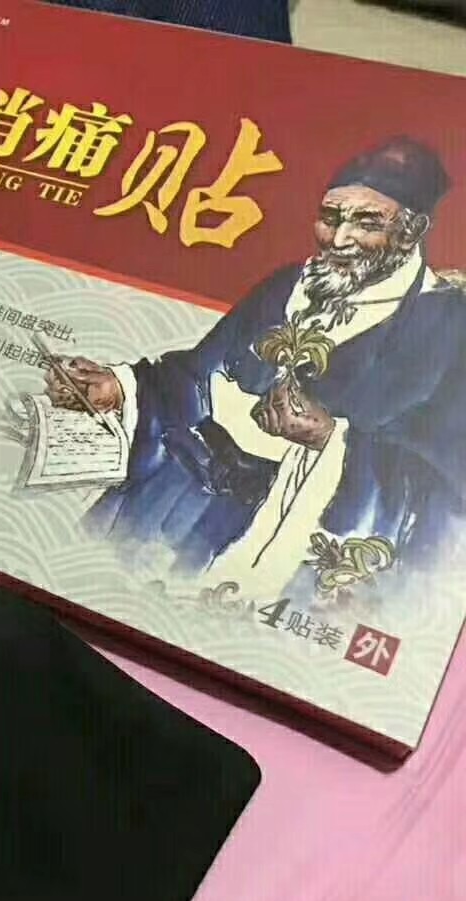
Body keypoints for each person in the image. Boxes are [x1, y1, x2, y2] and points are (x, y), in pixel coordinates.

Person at [46, 138, 466, 599]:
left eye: (367, 223)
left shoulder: (447, 326)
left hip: (283, 533)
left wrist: (329, 438)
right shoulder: (288, 285)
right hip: (169, 492)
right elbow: (196, 373)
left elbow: (444, 476)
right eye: (330, 217)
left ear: (411, 231)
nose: (339, 239)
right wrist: (121, 386)